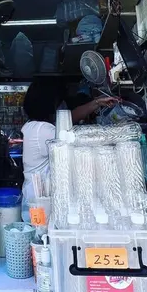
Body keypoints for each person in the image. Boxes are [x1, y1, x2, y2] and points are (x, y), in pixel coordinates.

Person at [20, 79, 114, 220]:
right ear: (48, 104)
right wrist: (108, 136)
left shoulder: (33, 126)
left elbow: (69, 118)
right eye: (58, 103)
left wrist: (96, 103)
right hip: (40, 204)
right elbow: (75, 141)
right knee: (42, 232)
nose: (60, 106)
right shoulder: (43, 130)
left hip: (35, 200)